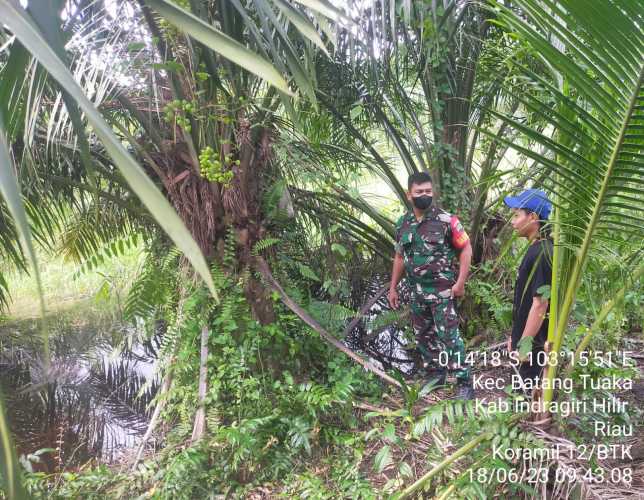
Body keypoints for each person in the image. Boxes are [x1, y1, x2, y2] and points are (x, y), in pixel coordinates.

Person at [388, 172, 474, 400]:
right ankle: (435, 375)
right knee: (423, 336)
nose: (424, 195)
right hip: (416, 294)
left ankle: (464, 381)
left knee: (449, 337)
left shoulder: (447, 221)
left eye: (428, 191)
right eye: (419, 192)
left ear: (432, 192)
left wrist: (461, 282)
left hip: (442, 292)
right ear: (409, 195)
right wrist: (393, 287)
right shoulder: (403, 223)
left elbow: (466, 249)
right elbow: (399, 256)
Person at [503, 189, 553, 385]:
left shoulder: (543, 253)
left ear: (532, 217)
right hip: (527, 341)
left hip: (534, 347)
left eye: (516, 215)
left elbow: (540, 304)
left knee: (526, 400)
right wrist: (515, 337)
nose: (513, 222)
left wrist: (524, 345)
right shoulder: (536, 248)